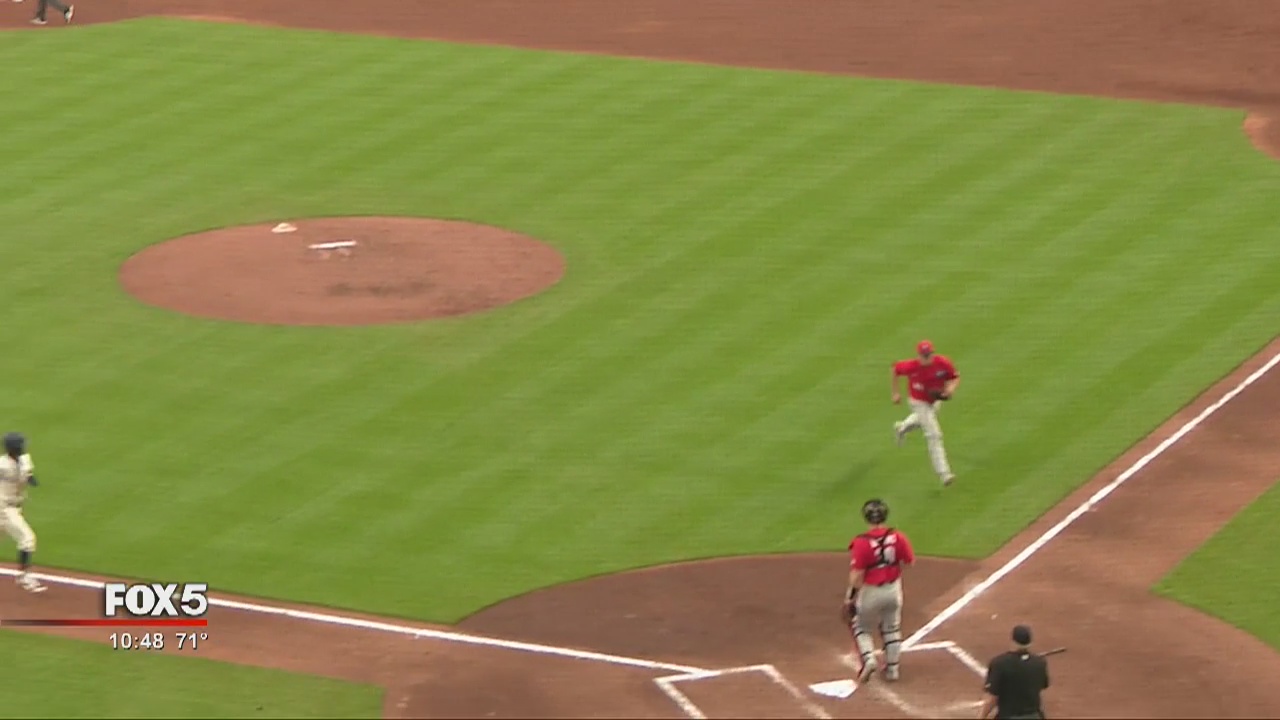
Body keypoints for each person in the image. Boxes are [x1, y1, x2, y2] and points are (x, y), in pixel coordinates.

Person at [842, 498, 915, 683]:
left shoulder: (861, 542)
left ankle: (868, 659)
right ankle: (892, 670)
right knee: (892, 628)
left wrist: (849, 598)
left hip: (871, 591)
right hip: (893, 589)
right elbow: (909, 562)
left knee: (861, 626)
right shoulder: (898, 536)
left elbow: (857, 575)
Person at [891, 339, 959, 486]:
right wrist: (895, 393)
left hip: (934, 401)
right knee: (934, 434)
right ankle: (944, 473)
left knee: (921, 421)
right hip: (918, 402)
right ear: (919, 355)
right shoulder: (911, 366)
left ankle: (901, 428)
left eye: (929, 355)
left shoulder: (942, 363)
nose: (927, 358)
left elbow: (954, 377)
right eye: (924, 355)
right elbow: (895, 369)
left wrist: (949, 390)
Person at [0, 432, 46, 593]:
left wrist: (30, 478)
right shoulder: (2, 465)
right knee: (27, 538)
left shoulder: (25, 459)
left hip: (15, 507)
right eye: (20, 445)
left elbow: (29, 475)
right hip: (4, 509)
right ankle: (24, 577)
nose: (23, 447)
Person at [979, 625, 1049, 719]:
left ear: (1013, 641)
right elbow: (1043, 685)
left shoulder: (999, 663)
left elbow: (992, 699)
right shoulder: (1039, 663)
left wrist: (981, 717)